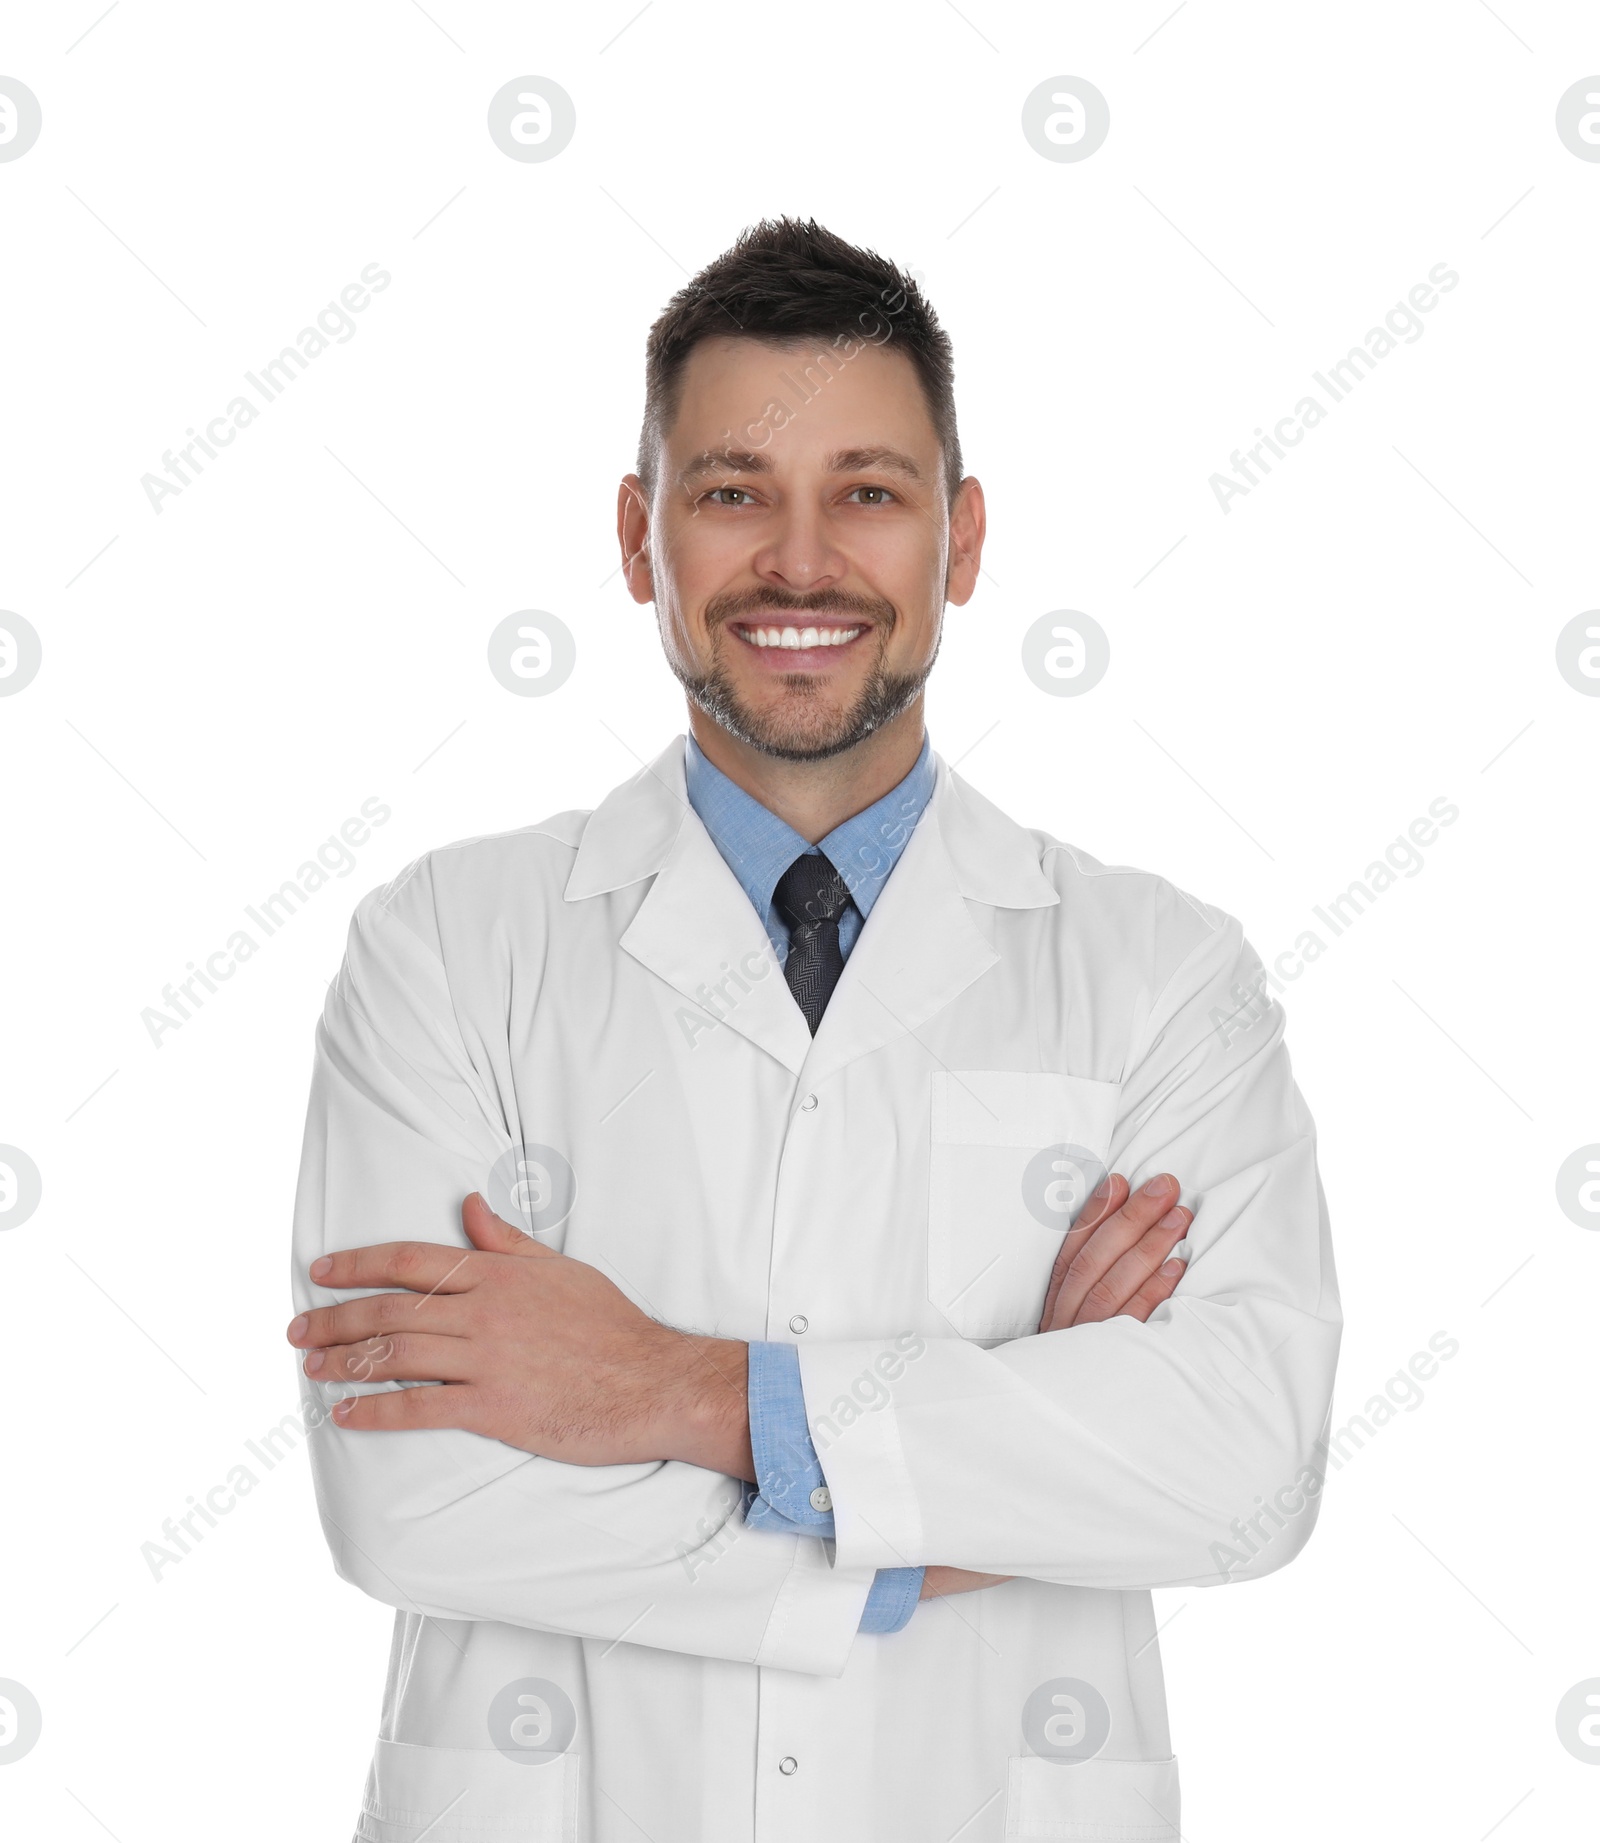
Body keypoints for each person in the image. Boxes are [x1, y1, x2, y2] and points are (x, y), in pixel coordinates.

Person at [287, 217, 1340, 1843]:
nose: (798, 562)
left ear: (960, 540)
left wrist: (666, 1388)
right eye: (730, 493)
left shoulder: (1161, 976)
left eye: (867, 490)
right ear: (640, 538)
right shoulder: (443, 947)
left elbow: (1245, 1466)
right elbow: (412, 1502)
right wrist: (1015, 1452)